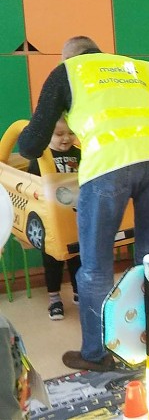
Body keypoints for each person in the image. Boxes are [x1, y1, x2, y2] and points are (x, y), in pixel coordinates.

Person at [18, 36, 149, 372]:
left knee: (95, 267)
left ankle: (95, 355)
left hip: (109, 164)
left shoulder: (68, 72)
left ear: (68, 57)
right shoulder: (137, 69)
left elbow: (32, 145)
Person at [27, 117, 82, 320]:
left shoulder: (79, 154)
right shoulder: (42, 156)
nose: (66, 138)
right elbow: (33, 184)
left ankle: (78, 292)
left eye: (70, 133)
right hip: (50, 220)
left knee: (77, 256)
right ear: (48, 135)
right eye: (59, 134)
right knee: (52, 260)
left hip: (74, 216)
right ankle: (54, 299)